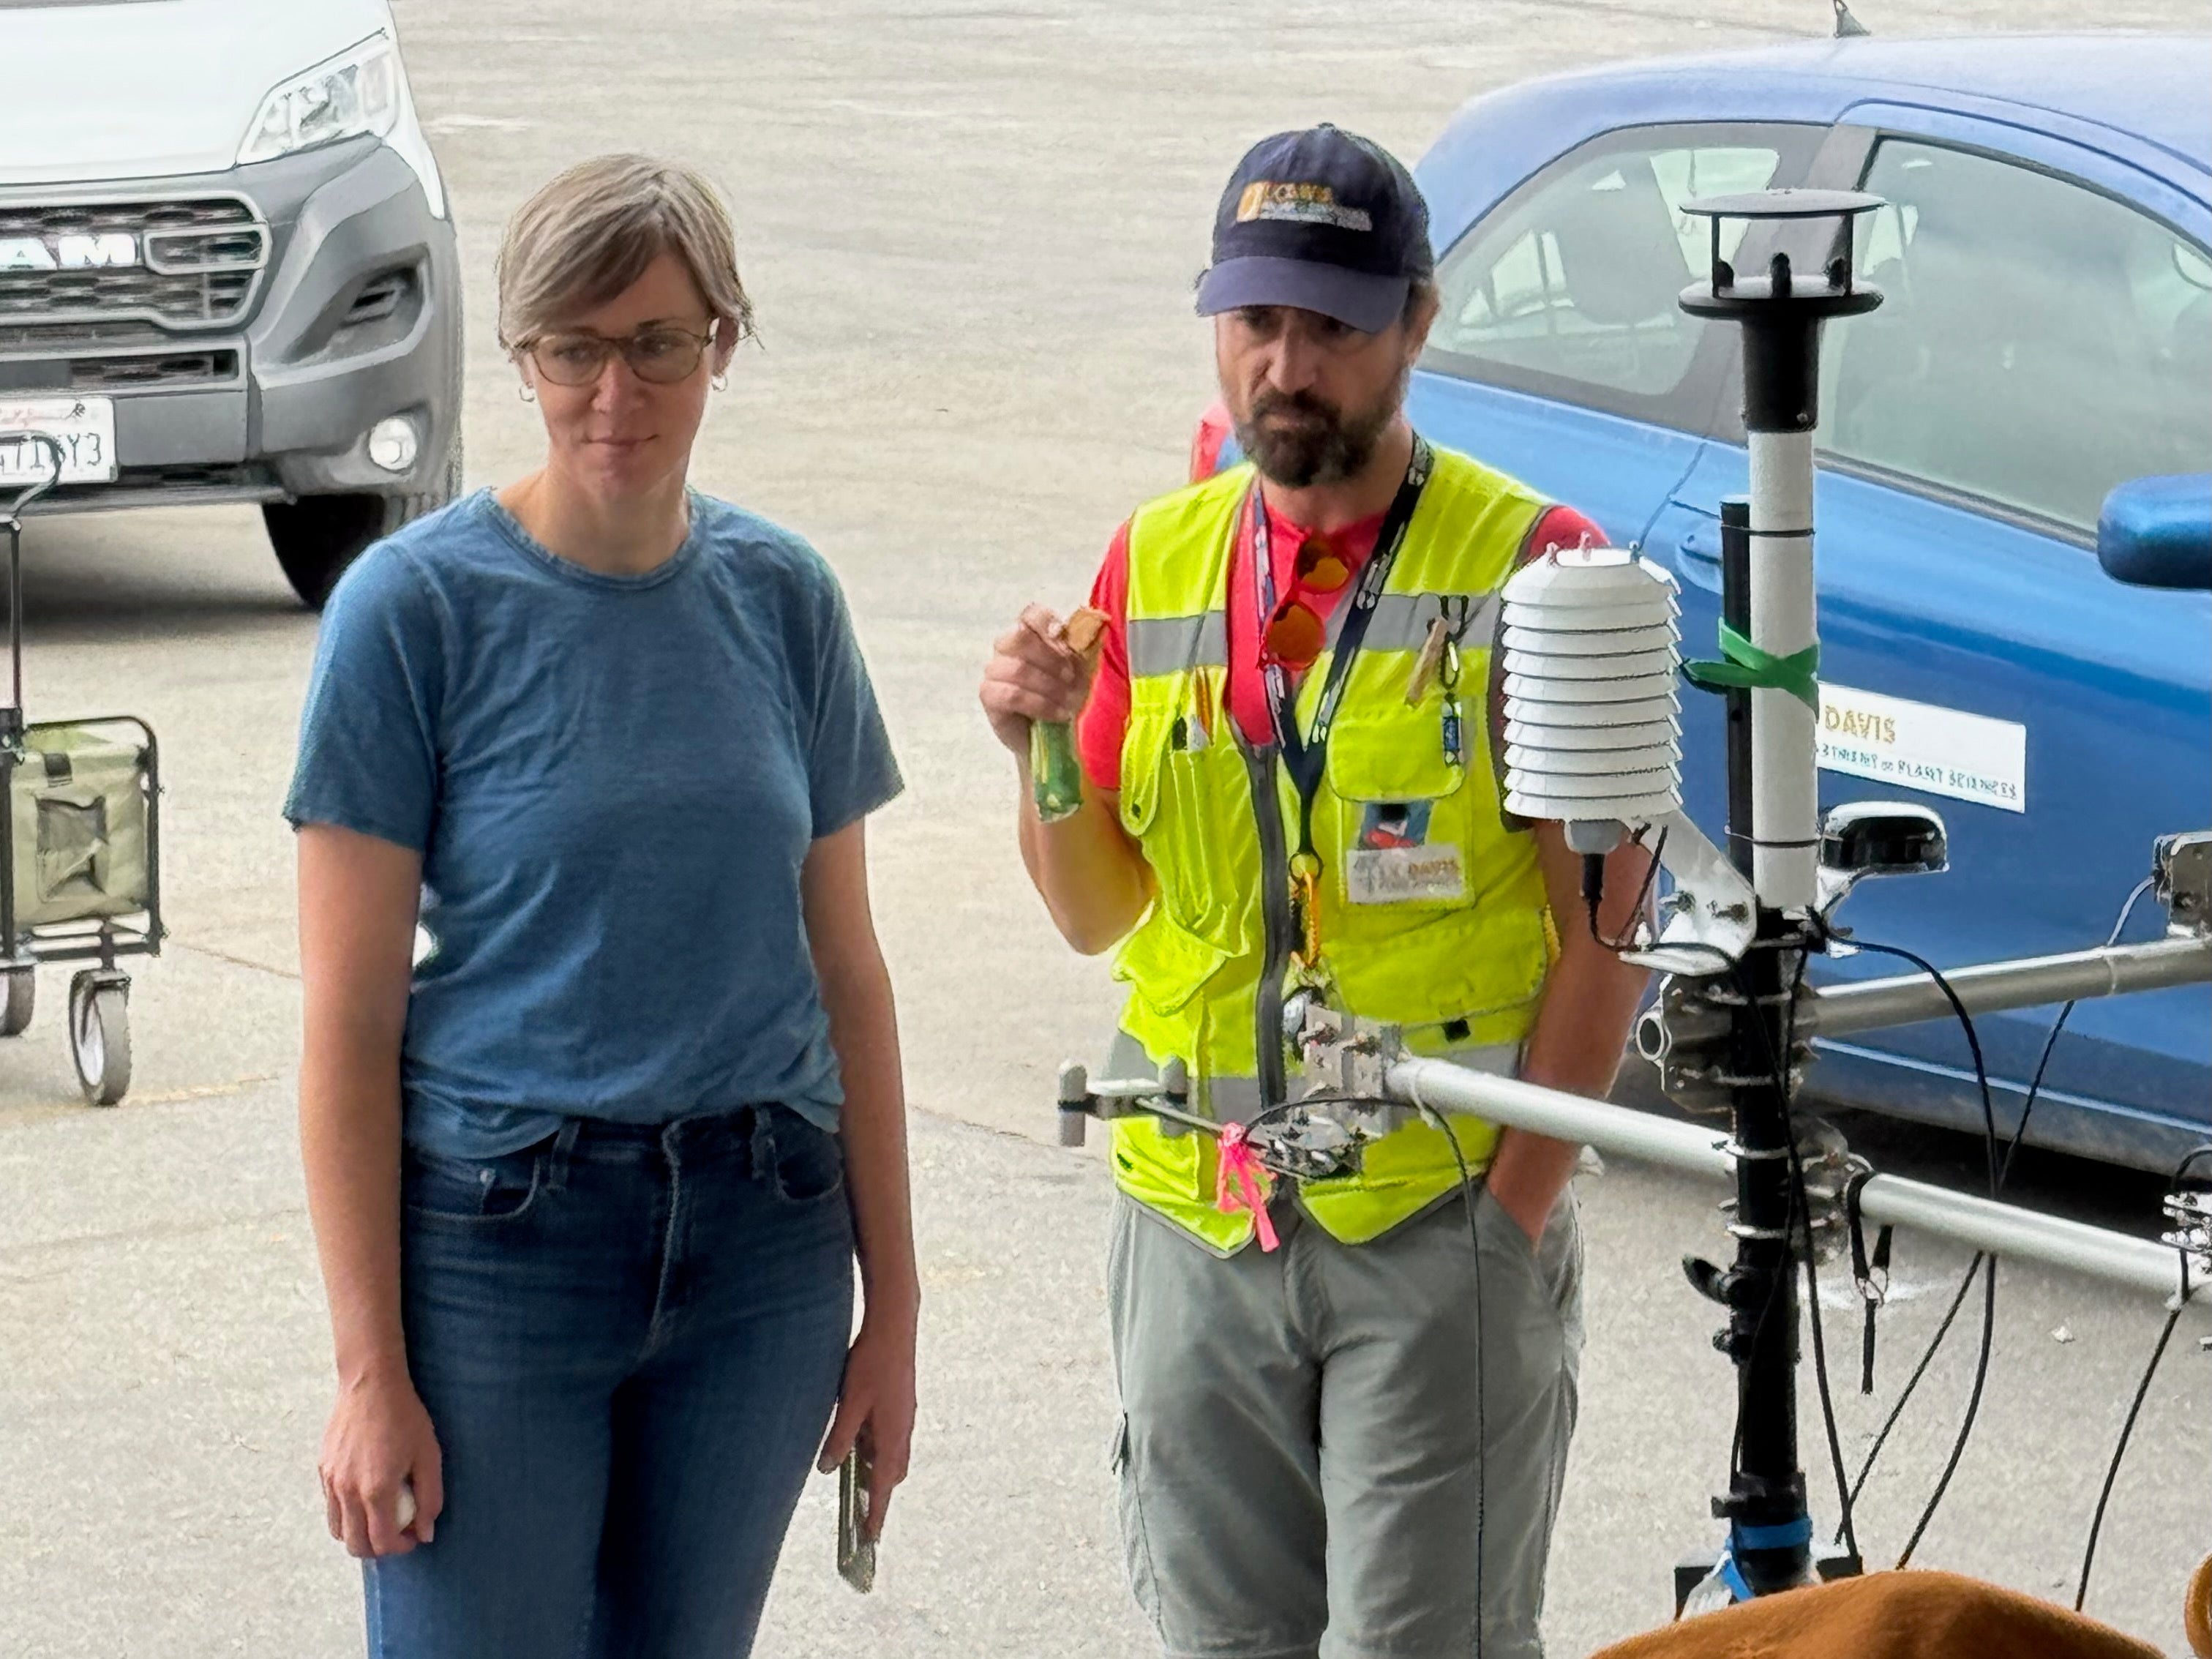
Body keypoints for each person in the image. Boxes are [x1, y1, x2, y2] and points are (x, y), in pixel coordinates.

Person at [979, 125, 1653, 1659]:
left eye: (1333, 328)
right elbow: (1093, 913)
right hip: (1199, 1218)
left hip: (1434, 1219)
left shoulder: (1541, 568)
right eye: (1256, 323)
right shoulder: (1153, 561)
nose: (1286, 368)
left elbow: (1609, 935)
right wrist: (1038, 755)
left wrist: (1508, 1224)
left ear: (1416, 324)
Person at [288, 154, 918, 1659]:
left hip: (763, 1244)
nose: (616, 394)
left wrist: (892, 1308)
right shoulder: (414, 614)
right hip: (502, 1243)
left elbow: (848, 973)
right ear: (521, 356)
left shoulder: (785, 599)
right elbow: (349, 1022)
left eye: (660, 344)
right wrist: (369, 1372)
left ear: (723, 343)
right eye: (574, 349)